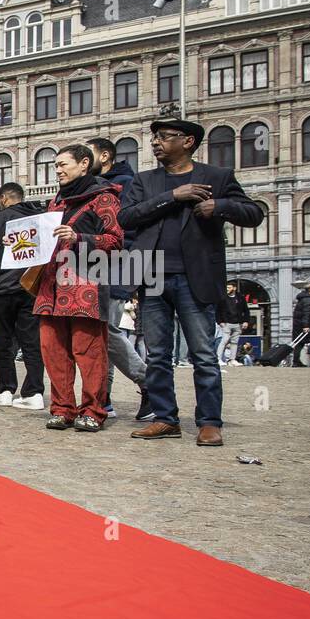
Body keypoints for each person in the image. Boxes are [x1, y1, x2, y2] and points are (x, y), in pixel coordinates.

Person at [119, 118, 263, 445]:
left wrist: (220, 206)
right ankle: (165, 418)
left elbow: (253, 213)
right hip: (152, 275)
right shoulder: (145, 181)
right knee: (157, 354)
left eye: (164, 137)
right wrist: (175, 195)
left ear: (187, 142)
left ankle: (210, 422)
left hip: (195, 275)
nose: (156, 142)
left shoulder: (217, 177)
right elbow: (126, 217)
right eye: (154, 138)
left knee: (202, 353)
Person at [33, 145, 123, 432]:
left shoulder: (105, 198)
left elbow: (116, 241)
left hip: (86, 286)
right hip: (51, 287)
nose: (57, 170)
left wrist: (80, 236)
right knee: (53, 350)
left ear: (85, 164)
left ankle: (94, 410)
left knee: (89, 352)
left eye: (63, 164)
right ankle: (62, 409)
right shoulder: (56, 201)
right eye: (55, 165)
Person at [86, 139, 153, 422]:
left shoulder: (124, 184)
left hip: (113, 267)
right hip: (94, 267)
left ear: (105, 156)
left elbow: (128, 230)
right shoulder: (94, 186)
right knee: (102, 335)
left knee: (107, 332)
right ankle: (104, 399)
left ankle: (149, 382)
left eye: (87, 155)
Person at [0, 183, 46, 410]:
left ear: (2, 199)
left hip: (2, 288)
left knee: (3, 342)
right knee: (32, 342)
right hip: (30, 286)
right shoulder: (39, 217)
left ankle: (6, 390)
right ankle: (34, 391)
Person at [215, 283, 250, 365]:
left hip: (237, 323)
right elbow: (218, 311)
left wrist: (245, 321)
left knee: (234, 342)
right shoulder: (222, 298)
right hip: (226, 323)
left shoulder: (240, 298)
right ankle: (218, 359)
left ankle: (232, 360)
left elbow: (246, 310)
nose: (227, 289)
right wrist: (220, 322)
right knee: (224, 340)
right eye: (227, 287)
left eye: (229, 287)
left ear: (234, 288)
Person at [292, 281, 310, 366]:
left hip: (298, 325)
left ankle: (296, 362)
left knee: (299, 343)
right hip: (307, 325)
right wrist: (306, 326)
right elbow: (306, 313)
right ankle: (296, 362)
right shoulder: (309, 299)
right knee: (300, 343)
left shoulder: (303, 298)